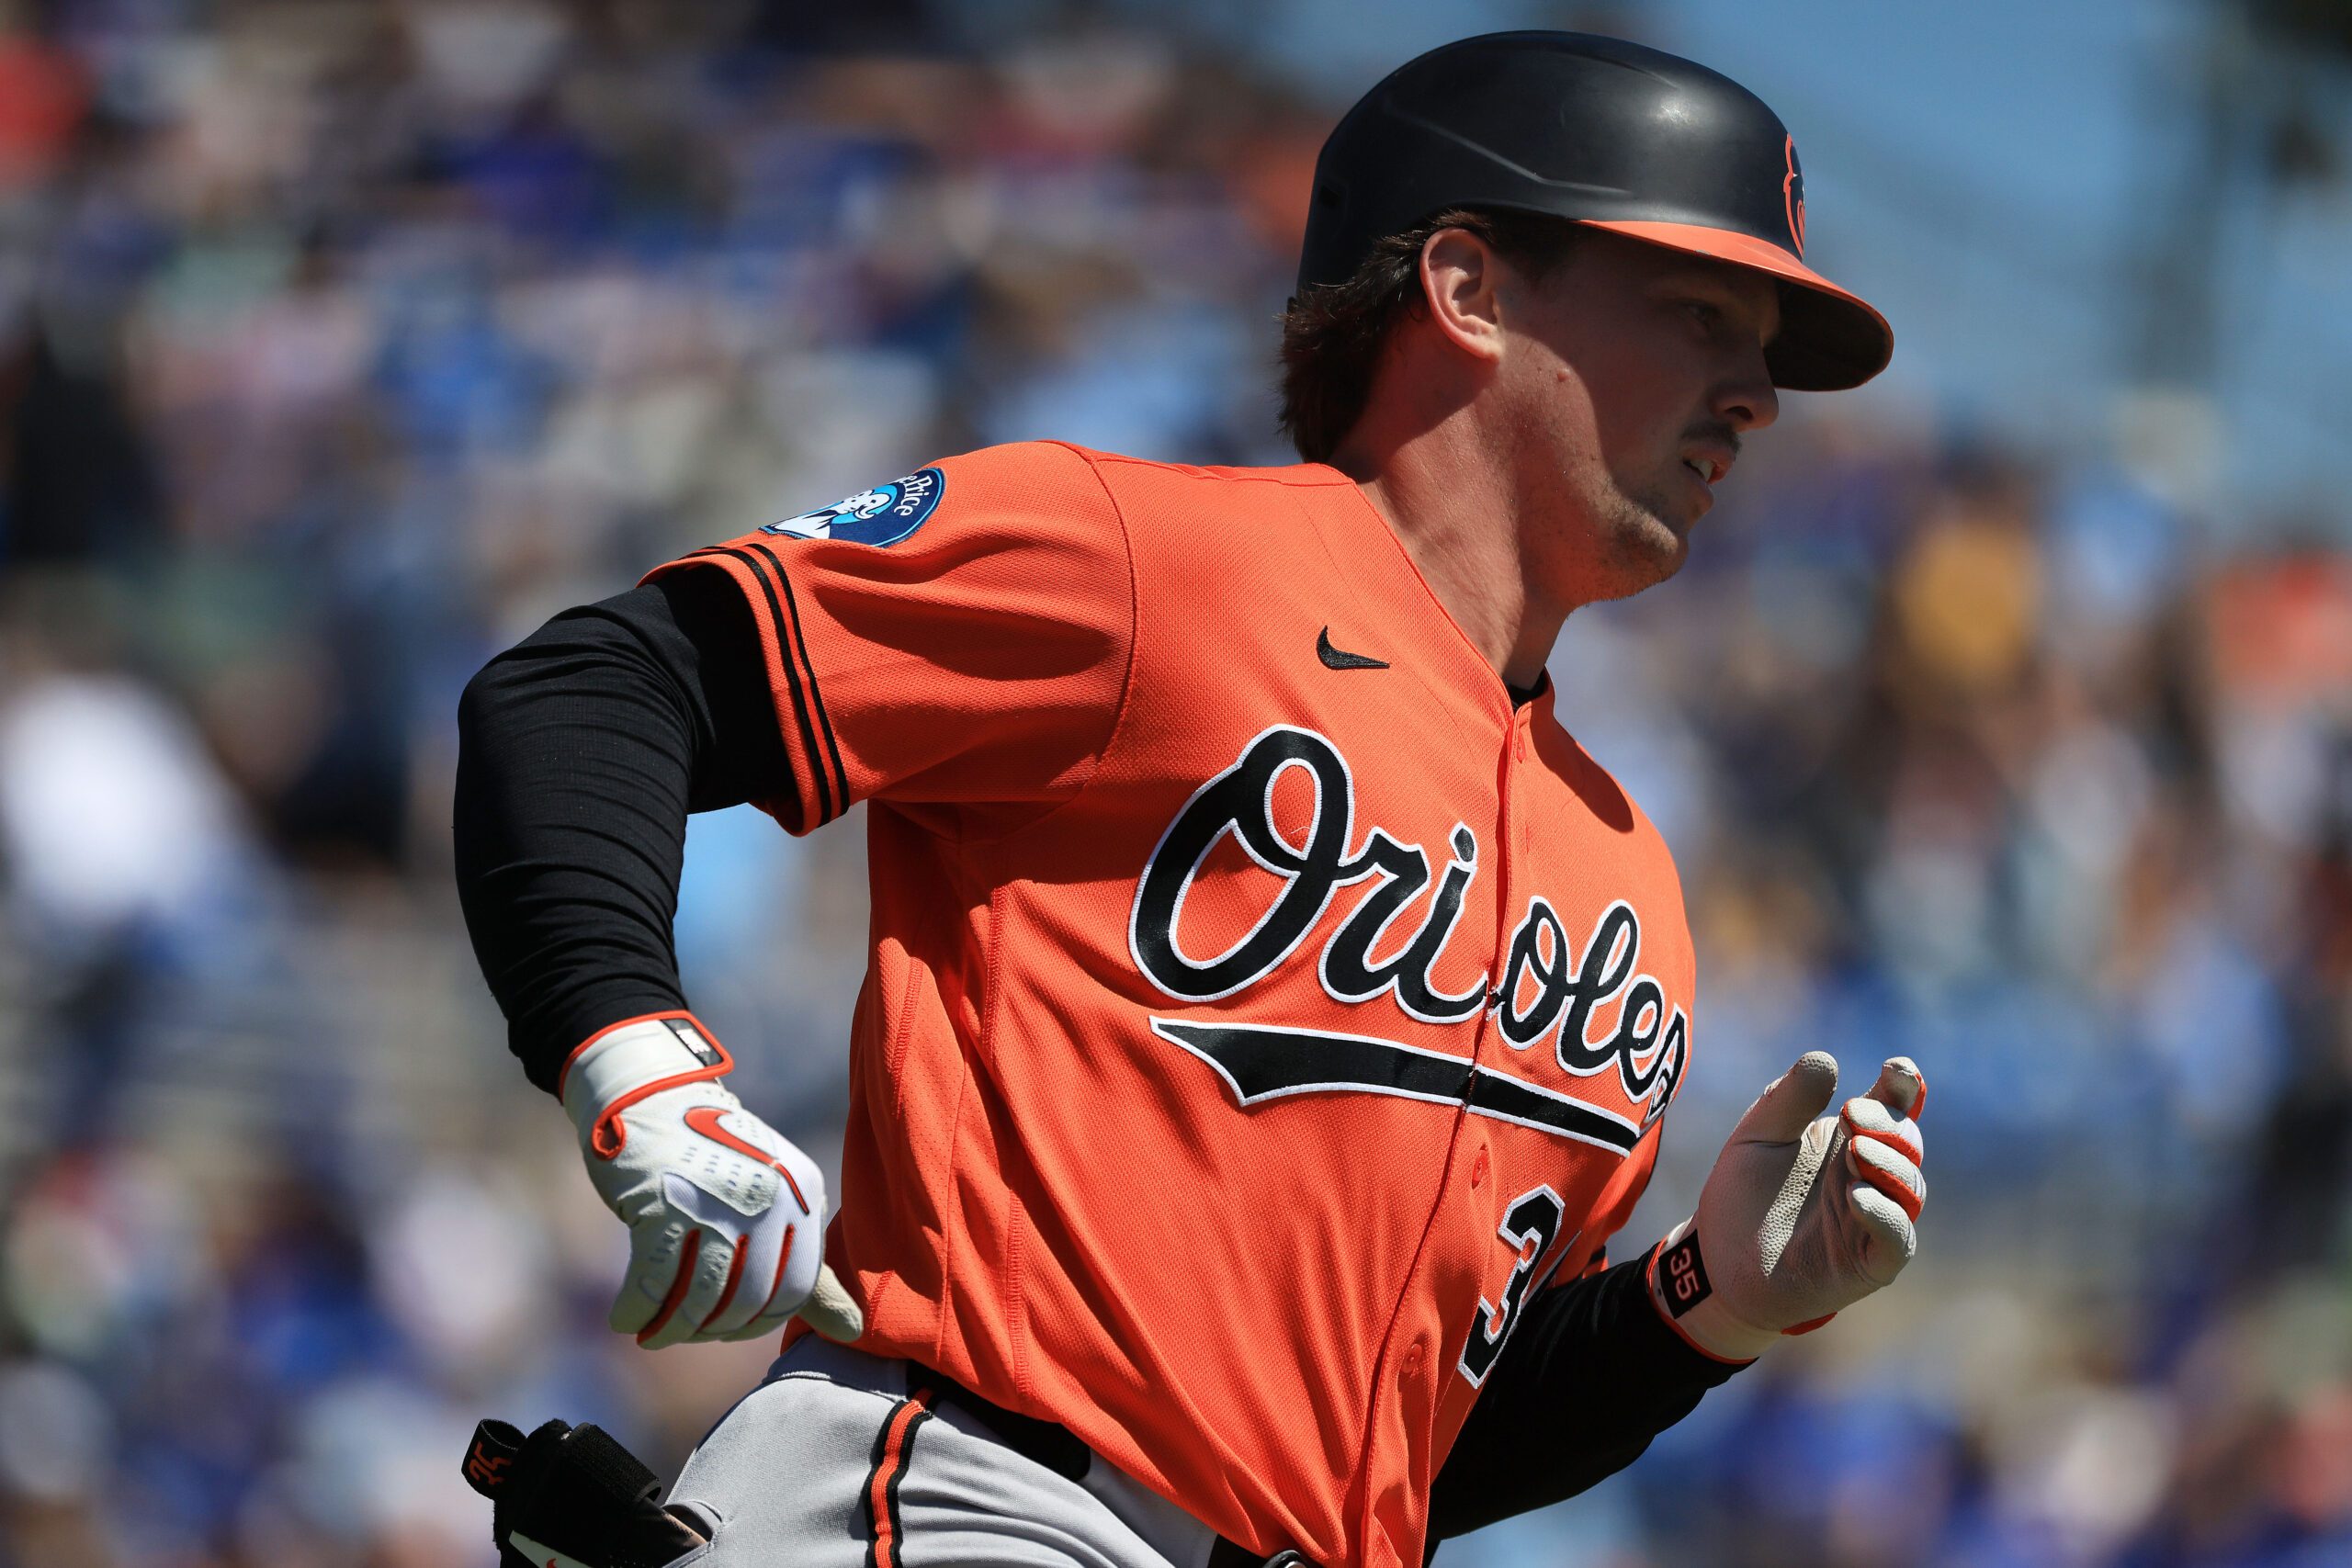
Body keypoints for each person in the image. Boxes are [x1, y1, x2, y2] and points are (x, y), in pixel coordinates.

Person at [452, 29, 1928, 1568]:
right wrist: (630, 1054)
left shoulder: (1627, 872)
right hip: (972, 1497)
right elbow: (602, 690)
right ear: (1469, 290)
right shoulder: (1159, 562)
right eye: (1700, 314)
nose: (1756, 393)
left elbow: (1393, 1457)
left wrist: (1699, 1308)